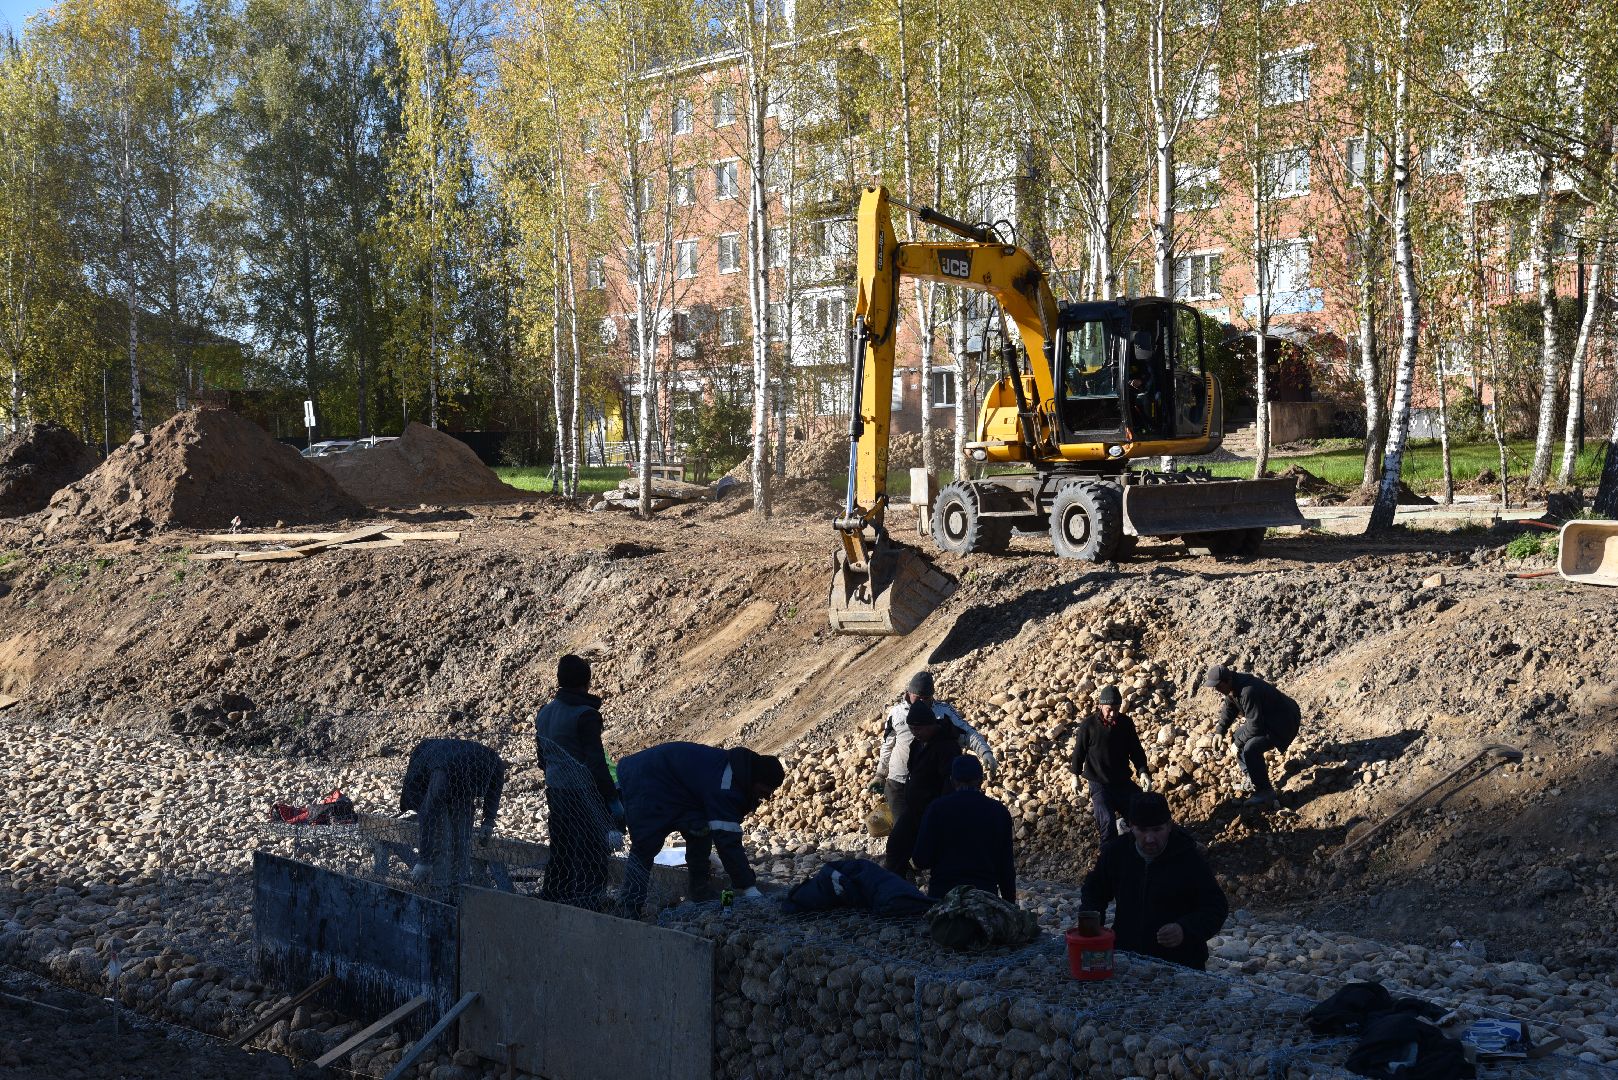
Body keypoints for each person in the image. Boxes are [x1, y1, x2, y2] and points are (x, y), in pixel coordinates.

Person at [615, 742, 785, 917]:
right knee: (645, 846)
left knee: (701, 831)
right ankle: (630, 905)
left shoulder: (737, 776)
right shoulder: (726, 785)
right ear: (755, 779)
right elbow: (727, 841)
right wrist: (748, 887)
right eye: (765, 790)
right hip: (646, 780)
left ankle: (700, 892)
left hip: (680, 790)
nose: (766, 797)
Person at [1079, 791, 1229, 970]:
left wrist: (1185, 930)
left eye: (1157, 830)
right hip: (1127, 958)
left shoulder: (1189, 858)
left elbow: (1216, 907)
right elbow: (1094, 892)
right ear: (1131, 826)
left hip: (1180, 964)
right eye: (1142, 830)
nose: (1150, 839)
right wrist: (1091, 931)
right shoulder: (1116, 853)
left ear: (1169, 826)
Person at [534, 653, 622, 909]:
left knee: (561, 847)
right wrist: (612, 799)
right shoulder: (586, 715)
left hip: (556, 790)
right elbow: (595, 762)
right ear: (587, 682)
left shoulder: (545, 712)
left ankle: (554, 897)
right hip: (584, 792)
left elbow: (542, 756)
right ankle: (589, 902)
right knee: (592, 849)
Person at [871, 671, 996, 823]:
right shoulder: (896, 713)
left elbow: (967, 733)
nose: (922, 702)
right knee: (902, 828)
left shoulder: (943, 712)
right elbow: (887, 744)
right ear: (908, 693)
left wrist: (985, 752)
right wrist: (880, 774)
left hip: (930, 784)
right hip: (897, 783)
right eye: (918, 698)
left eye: (926, 698)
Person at [399, 737, 506, 897]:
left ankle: (458, 890)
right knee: (442, 840)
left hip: (459, 778)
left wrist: (488, 821)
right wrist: (424, 860)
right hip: (431, 776)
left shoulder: (493, 762)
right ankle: (438, 892)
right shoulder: (441, 777)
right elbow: (429, 812)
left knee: (462, 842)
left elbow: (494, 790)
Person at [911, 755, 1016, 902]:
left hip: (943, 899)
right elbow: (1006, 867)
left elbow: (921, 859)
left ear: (952, 781)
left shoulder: (937, 809)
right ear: (981, 780)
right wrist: (1010, 905)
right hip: (984, 898)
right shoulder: (999, 811)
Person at [1202, 664, 1301, 807]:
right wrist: (1219, 732)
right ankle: (1252, 776)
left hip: (1284, 723)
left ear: (1227, 680)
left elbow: (1255, 726)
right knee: (1238, 735)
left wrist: (1238, 744)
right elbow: (1229, 709)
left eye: (1218, 686)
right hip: (1269, 719)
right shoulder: (1233, 686)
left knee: (1250, 748)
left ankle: (1265, 791)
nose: (1216, 690)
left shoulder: (1247, 690)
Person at [883, 700, 963, 878]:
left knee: (934, 856)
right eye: (911, 729)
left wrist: (940, 811)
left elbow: (949, 783)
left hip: (933, 812)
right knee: (896, 846)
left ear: (931, 725)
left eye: (918, 729)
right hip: (914, 810)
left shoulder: (946, 747)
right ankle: (896, 890)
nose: (915, 733)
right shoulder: (917, 744)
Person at [1069, 685, 1154, 845]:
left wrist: (1142, 772)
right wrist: (1075, 776)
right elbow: (1078, 752)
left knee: (1142, 810)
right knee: (1107, 823)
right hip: (1099, 784)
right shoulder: (1088, 726)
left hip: (1122, 782)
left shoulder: (1125, 724)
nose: (1113, 713)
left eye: (1116, 709)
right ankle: (1109, 859)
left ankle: (1138, 844)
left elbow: (1136, 750)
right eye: (1109, 709)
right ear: (1101, 706)